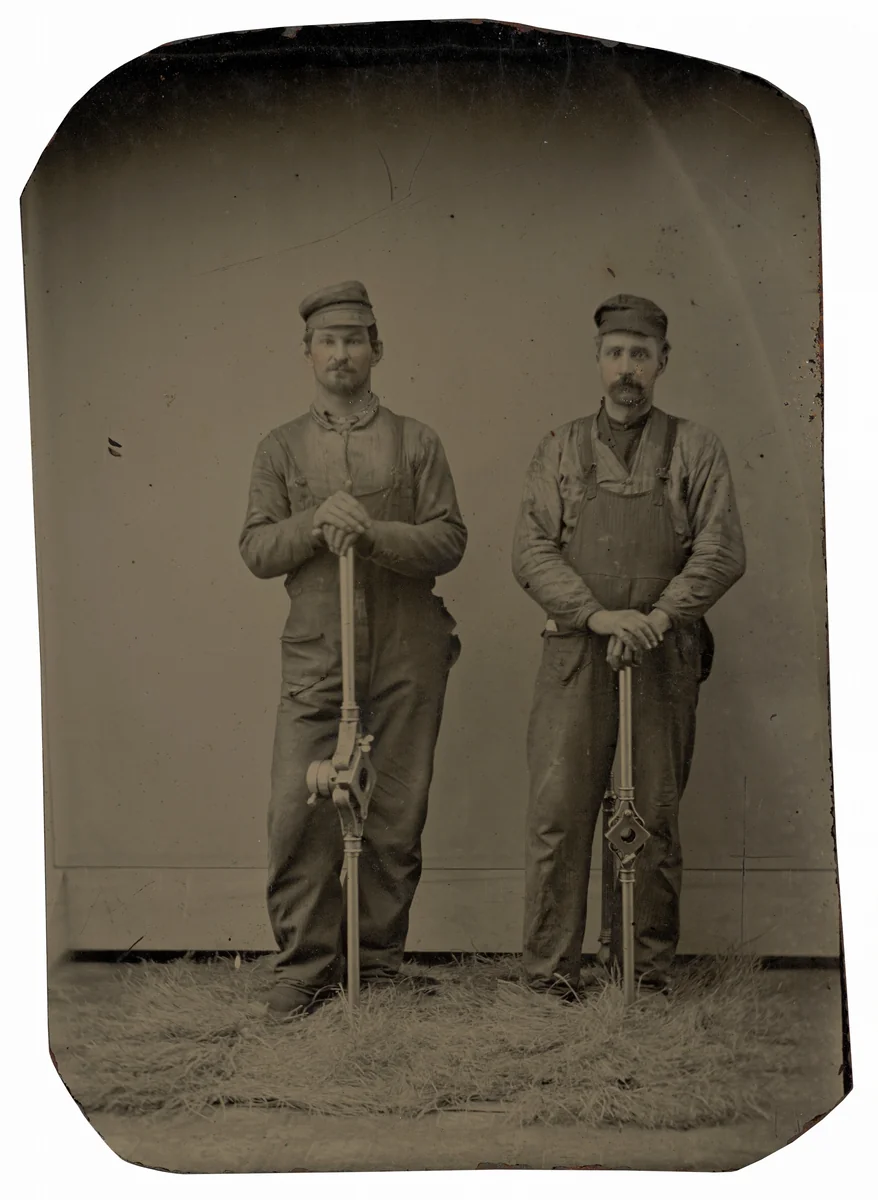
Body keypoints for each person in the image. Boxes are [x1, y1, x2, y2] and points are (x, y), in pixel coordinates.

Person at [240, 281, 467, 1018]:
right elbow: (256, 547)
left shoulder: (417, 441)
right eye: (328, 341)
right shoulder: (279, 447)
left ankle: (378, 966)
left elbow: (448, 539)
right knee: (298, 811)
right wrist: (314, 522)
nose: (342, 354)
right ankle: (303, 968)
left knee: (395, 811)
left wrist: (370, 531)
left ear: (378, 348)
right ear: (307, 353)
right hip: (318, 652)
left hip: (407, 650)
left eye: (355, 339)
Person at [511, 293, 746, 995]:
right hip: (577, 652)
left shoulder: (696, 448)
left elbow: (722, 548)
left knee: (652, 816)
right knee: (558, 815)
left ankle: (639, 976)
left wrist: (661, 615)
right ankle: (551, 976)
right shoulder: (558, 448)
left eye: (640, 355)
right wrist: (595, 615)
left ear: (662, 362)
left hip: (662, 654)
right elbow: (529, 551)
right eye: (615, 353)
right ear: (598, 361)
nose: (626, 369)